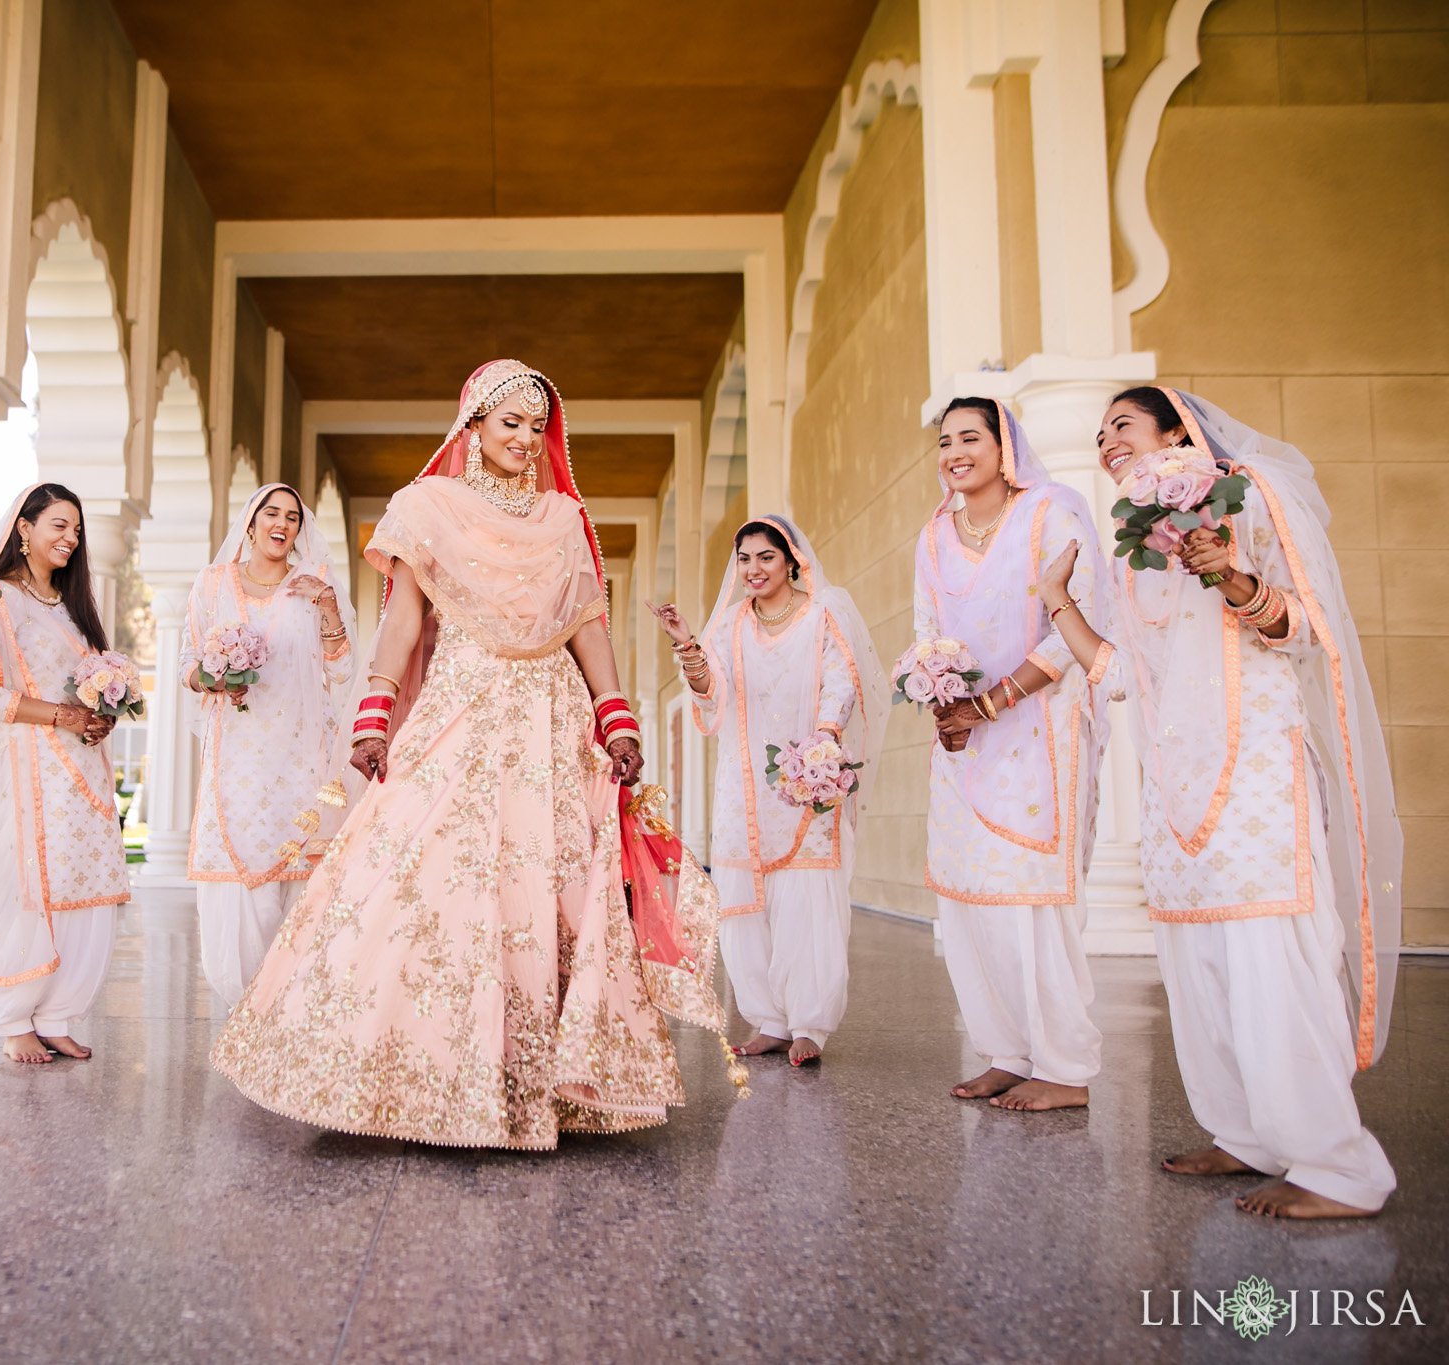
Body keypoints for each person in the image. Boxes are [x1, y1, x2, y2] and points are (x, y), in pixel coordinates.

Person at [211, 359, 726, 1149]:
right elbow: (404, 619)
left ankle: (545, 1082)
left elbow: (588, 625)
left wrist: (615, 717)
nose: (524, 438)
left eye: (535, 425)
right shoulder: (428, 507)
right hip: (461, 706)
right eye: (508, 422)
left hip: (549, 720)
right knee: (419, 866)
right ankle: (401, 1071)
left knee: (545, 879)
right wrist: (376, 711)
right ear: (473, 427)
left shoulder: (561, 519)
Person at [1098, 386, 1399, 1218]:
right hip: (1174, 774)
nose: (1106, 441)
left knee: (1267, 948)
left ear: (1177, 431)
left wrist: (1232, 575)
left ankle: (1338, 1167)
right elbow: (1129, 670)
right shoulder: (1134, 542)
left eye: (1122, 423)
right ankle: (1246, 1134)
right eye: (1100, 432)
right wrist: (1056, 599)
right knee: (1199, 959)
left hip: (1257, 759)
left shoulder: (1248, 493)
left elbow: (1309, 627)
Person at [917, 397, 1120, 1112]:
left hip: (1039, 729)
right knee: (972, 899)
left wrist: (994, 702)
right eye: (945, 441)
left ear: (1005, 447)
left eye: (971, 437)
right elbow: (928, 627)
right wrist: (938, 695)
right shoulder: (936, 533)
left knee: (1032, 897)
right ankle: (1006, 1051)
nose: (955, 452)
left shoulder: (1052, 512)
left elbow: (1077, 626)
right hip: (965, 738)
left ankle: (1064, 1066)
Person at [649, 514, 887, 1066]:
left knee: (807, 897)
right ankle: (769, 1020)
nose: (753, 569)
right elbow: (713, 694)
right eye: (745, 560)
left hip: (807, 778)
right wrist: (688, 646)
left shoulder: (821, 615)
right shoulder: (730, 625)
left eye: (765, 558)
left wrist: (823, 748)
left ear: (790, 560)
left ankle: (809, 1024)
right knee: (742, 898)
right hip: (744, 783)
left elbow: (841, 682)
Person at [0, 482, 126, 1063]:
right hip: (23, 768)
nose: (71, 538)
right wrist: (62, 715)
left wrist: (101, 717)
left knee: (84, 887)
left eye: (76, 530)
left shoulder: (74, 608)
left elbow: (87, 688)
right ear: (24, 527)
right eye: (58, 526)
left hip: (81, 770)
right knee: (23, 887)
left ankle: (58, 1012)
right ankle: (14, 1016)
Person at [181, 482, 353, 1006]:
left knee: (297, 870)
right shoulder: (212, 585)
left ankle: (287, 1002)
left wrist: (327, 609)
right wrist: (211, 678)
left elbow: (343, 670)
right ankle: (242, 1000)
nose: (282, 524)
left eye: (293, 518)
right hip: (234, 758)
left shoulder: (316, 583)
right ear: (251, 523)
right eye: (271, 513)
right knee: (236, 872)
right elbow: (187, 662)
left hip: (301, 756)